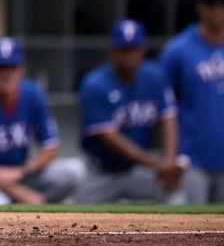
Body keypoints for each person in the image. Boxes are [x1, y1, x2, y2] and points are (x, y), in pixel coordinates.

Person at [74, 20, 186, 204]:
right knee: (78, 220)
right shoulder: (94, 84)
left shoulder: (155, 77)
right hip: (101, 171)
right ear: (112, 51)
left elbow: (169, 118)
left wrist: (168, 161)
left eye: (133, 49)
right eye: (122, 49)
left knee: (174, 191)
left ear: (143, 50)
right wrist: (159, 164)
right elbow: (110, 138)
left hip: (138, 169)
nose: (128, 55)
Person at [0, 37, 83, 204]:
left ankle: (46, 215)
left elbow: (50, 148)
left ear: (21, 69)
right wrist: (21, 193)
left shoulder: (33, 95)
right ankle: (40, 205)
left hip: (25, 172)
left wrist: (21, 171)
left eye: (12, 67)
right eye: (0, 67)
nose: (6, 73)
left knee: (75, 170)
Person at [161, 0, 224, 203]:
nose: (217, 9)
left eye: (222, 2)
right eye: (210, 2)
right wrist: (169, 156)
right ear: (200, 6)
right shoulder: (177, 50)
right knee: (194, 232)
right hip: (192, 159)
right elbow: (164, 110)